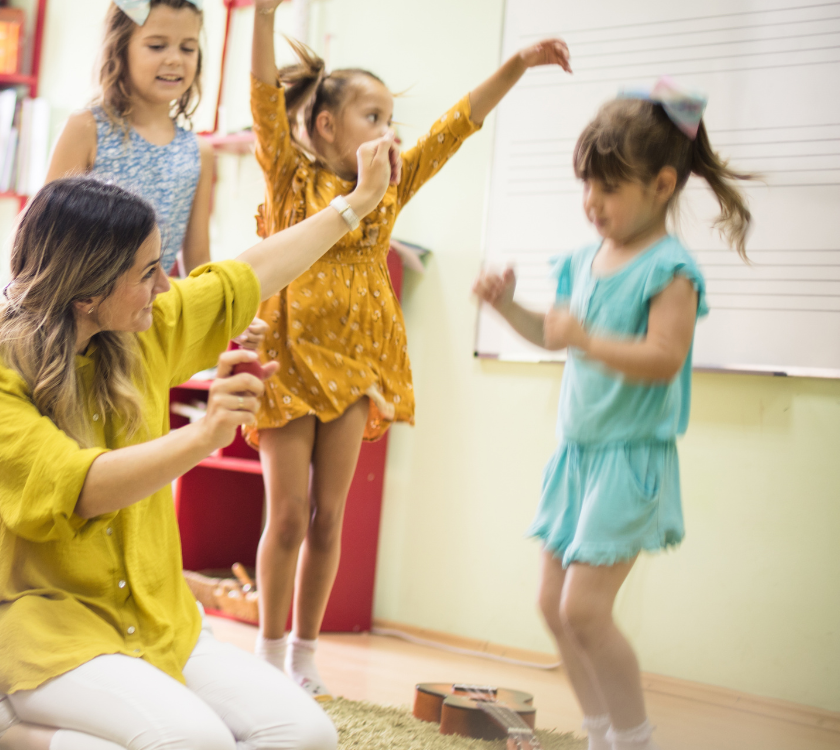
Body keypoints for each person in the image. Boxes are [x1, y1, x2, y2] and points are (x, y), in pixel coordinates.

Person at [0, 151, 398, 748]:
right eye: (148, 272)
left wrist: (357, 203)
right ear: (87, 292)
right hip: (36, 627)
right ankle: (2, 727)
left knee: (305, 734)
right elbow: (76, 487)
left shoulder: (144, 326)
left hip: (157, 619)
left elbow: (250, 273)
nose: (165, 285)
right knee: (194, 742)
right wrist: (204, 435)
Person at [246, 0, 572, 696]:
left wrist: (515, 62)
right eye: (374, 118)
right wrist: (264, 15)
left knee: (329, 517)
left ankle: (305, 653)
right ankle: (267, 653)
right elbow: (263, 100)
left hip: (359, 364)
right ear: (327, 125)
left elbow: (459, 125)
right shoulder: (291, 176)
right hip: (288, 361)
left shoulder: (391, 188)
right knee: (285, 517)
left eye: (391, 120)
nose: (388, 133)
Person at [474, 80, 752, 750]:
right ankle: (599, 733)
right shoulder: (583, 261)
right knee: (552, 606)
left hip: (629, 459)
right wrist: (508, 308)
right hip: (577, 454)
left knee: (585, 610)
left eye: (608, 188)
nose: (591, 204)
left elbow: (662, 356)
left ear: (661, 186)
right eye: (587, 186)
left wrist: (584, 339)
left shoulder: (671, 270)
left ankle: (634, 738)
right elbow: (555, 332)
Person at [45, 0, 212, 275]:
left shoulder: (198, 152)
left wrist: (225, 310)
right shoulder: (87, 129)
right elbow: (42, 232)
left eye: (188, 48)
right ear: (120, 50)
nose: (174, 59)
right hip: (77, 307)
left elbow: (198, 258)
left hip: (148, 312)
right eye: (157, 46)